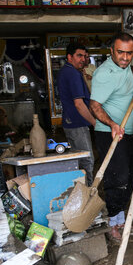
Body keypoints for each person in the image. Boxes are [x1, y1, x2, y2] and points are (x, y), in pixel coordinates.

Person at [89, 32, 133, 241]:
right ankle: (112, 226)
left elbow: (127, 71)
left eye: (129, 53)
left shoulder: (124, 67)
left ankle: (121, 222)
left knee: (129, 178)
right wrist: (112, 124)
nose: (125, 57)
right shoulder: (103, 73)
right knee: (118, 179)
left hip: (128, 133)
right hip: (111, 133)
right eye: (120, 53)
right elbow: (94, 106)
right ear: (111, 52)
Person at [57, 42, 97, 186]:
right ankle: (87, 197)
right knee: (86, 160)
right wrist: (94, 122)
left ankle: (81, 194)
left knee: (80, 160)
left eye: (85, 56)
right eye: (79, 55)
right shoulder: (72, 73)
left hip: (72, 122)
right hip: (77, 123)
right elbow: (79, 104)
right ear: (69, 57)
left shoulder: (68, 71)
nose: (83, 59)